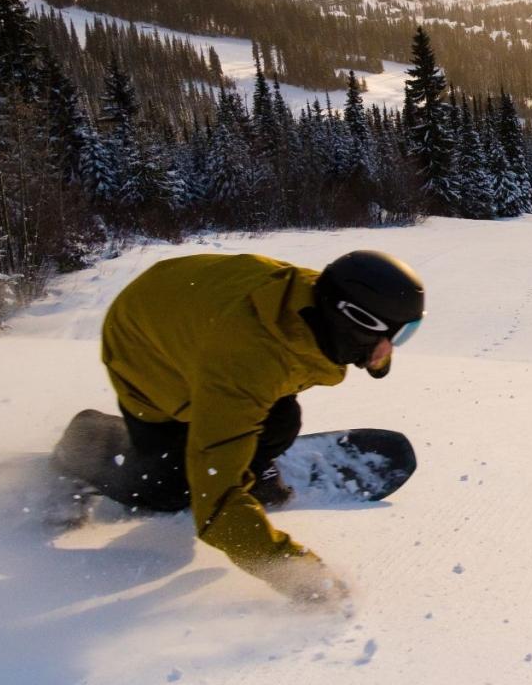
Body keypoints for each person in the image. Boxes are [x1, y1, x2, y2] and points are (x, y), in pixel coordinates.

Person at [73, 249, 424, 604]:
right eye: (395, 337)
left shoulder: (317, 301)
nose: (393, 348)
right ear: (355, 322)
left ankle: (241, 463)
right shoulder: (246, 364)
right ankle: (89, 442)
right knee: (172, 489)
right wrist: (299, 574)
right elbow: (215, 509)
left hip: (185, 311)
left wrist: (375, 356)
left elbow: (368, 331)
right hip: (145, 352)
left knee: (280, 423)